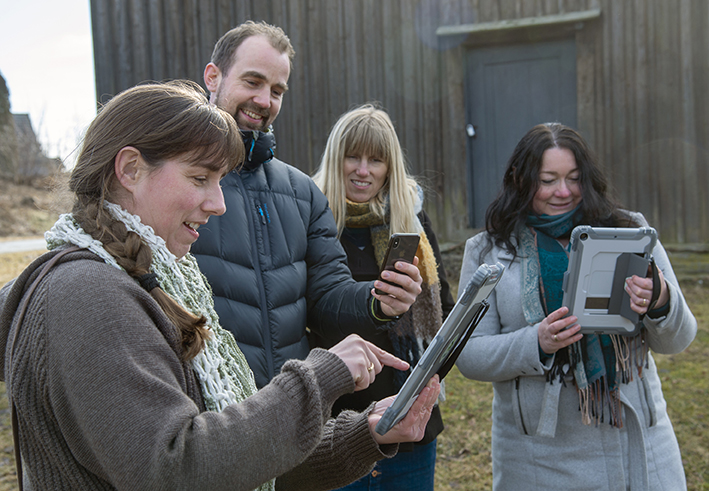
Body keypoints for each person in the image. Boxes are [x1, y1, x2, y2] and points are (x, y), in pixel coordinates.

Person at [0, 80, 441, 491]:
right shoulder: (88, 294)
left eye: (221, 180)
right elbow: (177, 468)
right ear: (131, 169)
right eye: (200, 179)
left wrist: (364, 434)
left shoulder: (162, 279)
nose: (219, 203)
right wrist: (319, 377)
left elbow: (240, 457)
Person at [455, 122, 697, 490]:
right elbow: (468, 354)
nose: (563, 192)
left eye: (574, 177)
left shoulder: (630, 231)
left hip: (639, 449)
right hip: (538, 457)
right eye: (548, 180)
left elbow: (679, 340)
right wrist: (536, 342)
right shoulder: (488, 252)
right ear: (520, 179)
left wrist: (660, 300)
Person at [190, 21, 423, 389]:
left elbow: (329, 299)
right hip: (205, 406)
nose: (265, 101)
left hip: (289, 410)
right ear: (213, 77)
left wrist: (378, 301)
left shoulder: (302, 193)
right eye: (253, 82)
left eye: (277, 90)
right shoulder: (175, 180)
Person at [311, 103, 455, 490]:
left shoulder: (412, 223)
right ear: (334, 159)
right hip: (335, 428)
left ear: (390, 166)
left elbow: (447, 311)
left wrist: (431, 375)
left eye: (376, 159)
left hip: (407, 424)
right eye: (352, 157)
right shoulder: (311, 221)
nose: (363, 170)